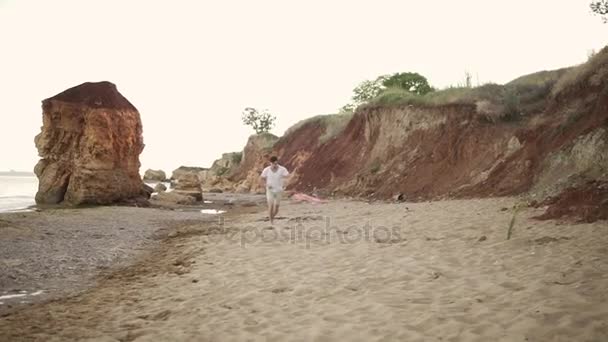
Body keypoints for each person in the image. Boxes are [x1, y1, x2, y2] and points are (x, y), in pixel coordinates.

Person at [260, 156, 290, 225]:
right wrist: (265, 185)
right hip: (270, 191)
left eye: (276, 164)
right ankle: (271, 222)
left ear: (277, 162)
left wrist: (286, 184)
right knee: (270, 206)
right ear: (270, 163)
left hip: (279, 190)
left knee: (276, 208)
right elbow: (261, 178)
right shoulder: (266, 170)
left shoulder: (282, 169)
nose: (275, 165)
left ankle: (272, 217)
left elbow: (288, 176)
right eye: (273, 164)